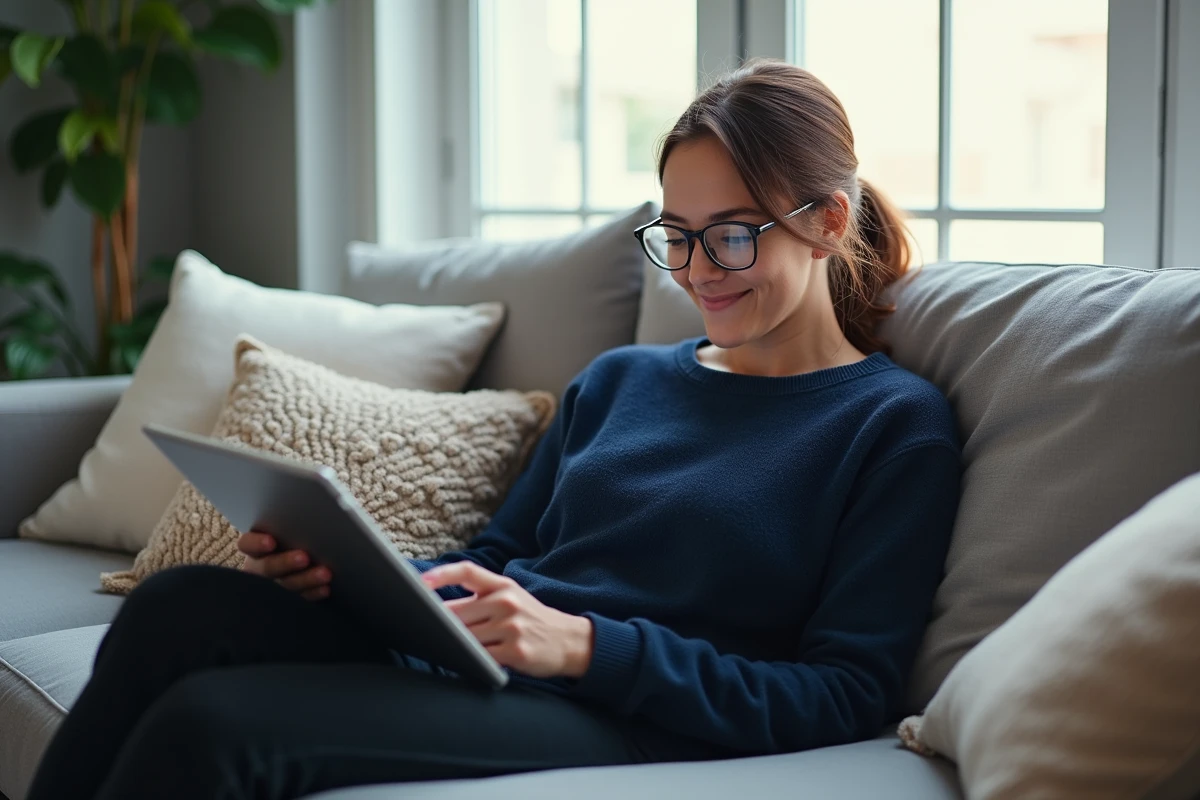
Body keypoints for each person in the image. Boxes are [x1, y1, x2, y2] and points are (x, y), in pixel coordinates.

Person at [26, 58, 961, 800]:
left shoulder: (891, 427)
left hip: (627, 715)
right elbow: (501, 555)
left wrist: (586, 645)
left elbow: (844, 694)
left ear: (828, 221)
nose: (697, 270)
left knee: (215, 728)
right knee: (176, 604)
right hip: (489, 657)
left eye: (731, 234)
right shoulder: (619, 380)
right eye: (676, 234)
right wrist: (350, 584)